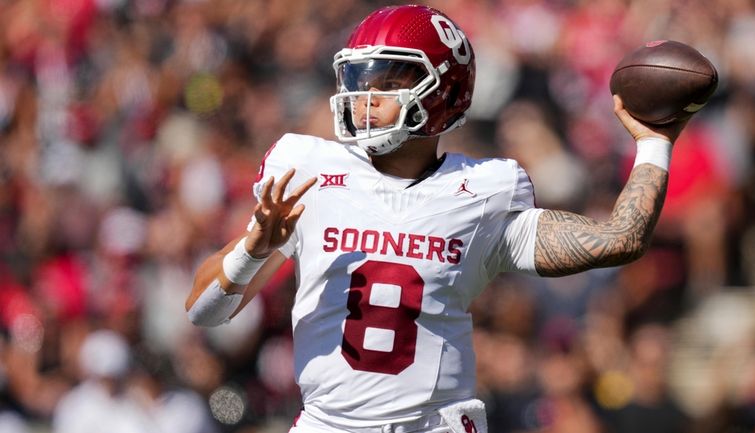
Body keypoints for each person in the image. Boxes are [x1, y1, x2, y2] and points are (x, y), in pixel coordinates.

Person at [185, 5, 690, 433]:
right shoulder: (309, 171)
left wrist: (653, 143)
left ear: (442, 91)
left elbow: (619, 240)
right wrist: (254, 248)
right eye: (359, 80)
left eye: (387, 81)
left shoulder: (486, 190)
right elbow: (203, 312)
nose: (366, 99)